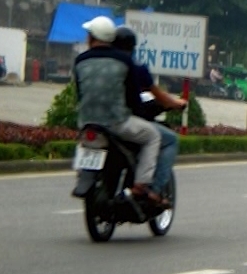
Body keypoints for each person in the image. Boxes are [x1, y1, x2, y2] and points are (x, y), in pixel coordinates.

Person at [73, 16, 161, 203]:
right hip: (117, 123)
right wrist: (140, 114)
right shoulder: (124, 61)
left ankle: (83, 173)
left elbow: (80, 94)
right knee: (153, 136)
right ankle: (140, 185)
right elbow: (132, 97)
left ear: (92, 38)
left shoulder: (80, 61)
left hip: (86, 123)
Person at [113, 26, 187, 199]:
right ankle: (153, 190)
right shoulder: (135, 67)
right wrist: (178, 103)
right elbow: (161, 97)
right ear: (133, 47)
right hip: (125, 120)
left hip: (97, 119)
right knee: (168, 140)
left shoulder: (102, 65)